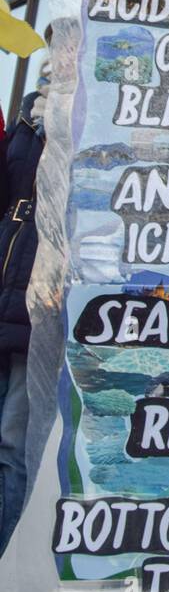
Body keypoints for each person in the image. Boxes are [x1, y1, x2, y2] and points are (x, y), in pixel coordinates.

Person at [0, 47, 49, 558]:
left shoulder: (91, 121)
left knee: (14, 447)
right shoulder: (25, 120)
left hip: (40, 304)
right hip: (5, 289)